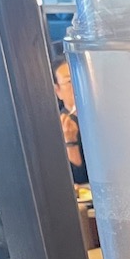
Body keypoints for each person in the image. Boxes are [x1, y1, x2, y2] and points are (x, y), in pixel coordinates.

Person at [51, 57, 88, 185]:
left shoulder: (98, 118)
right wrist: (71, 142)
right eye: (69, 81)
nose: (78, 84)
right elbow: (79, 182)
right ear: (57, 91)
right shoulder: (58, 127)